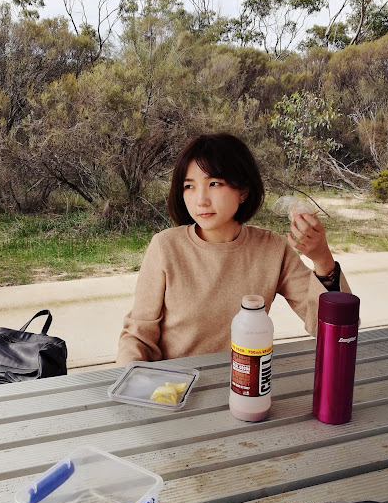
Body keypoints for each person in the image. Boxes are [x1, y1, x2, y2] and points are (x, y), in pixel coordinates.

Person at [116, 133, 350, 365]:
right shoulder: (166, 247)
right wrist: (128, 383)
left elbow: (337, 332)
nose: (201, 200)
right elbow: (138, 337)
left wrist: (322, 259)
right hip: (177, 388)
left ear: (243, 191)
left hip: (249, 386)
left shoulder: (272, 249)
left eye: (214, 183)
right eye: (189, 186)